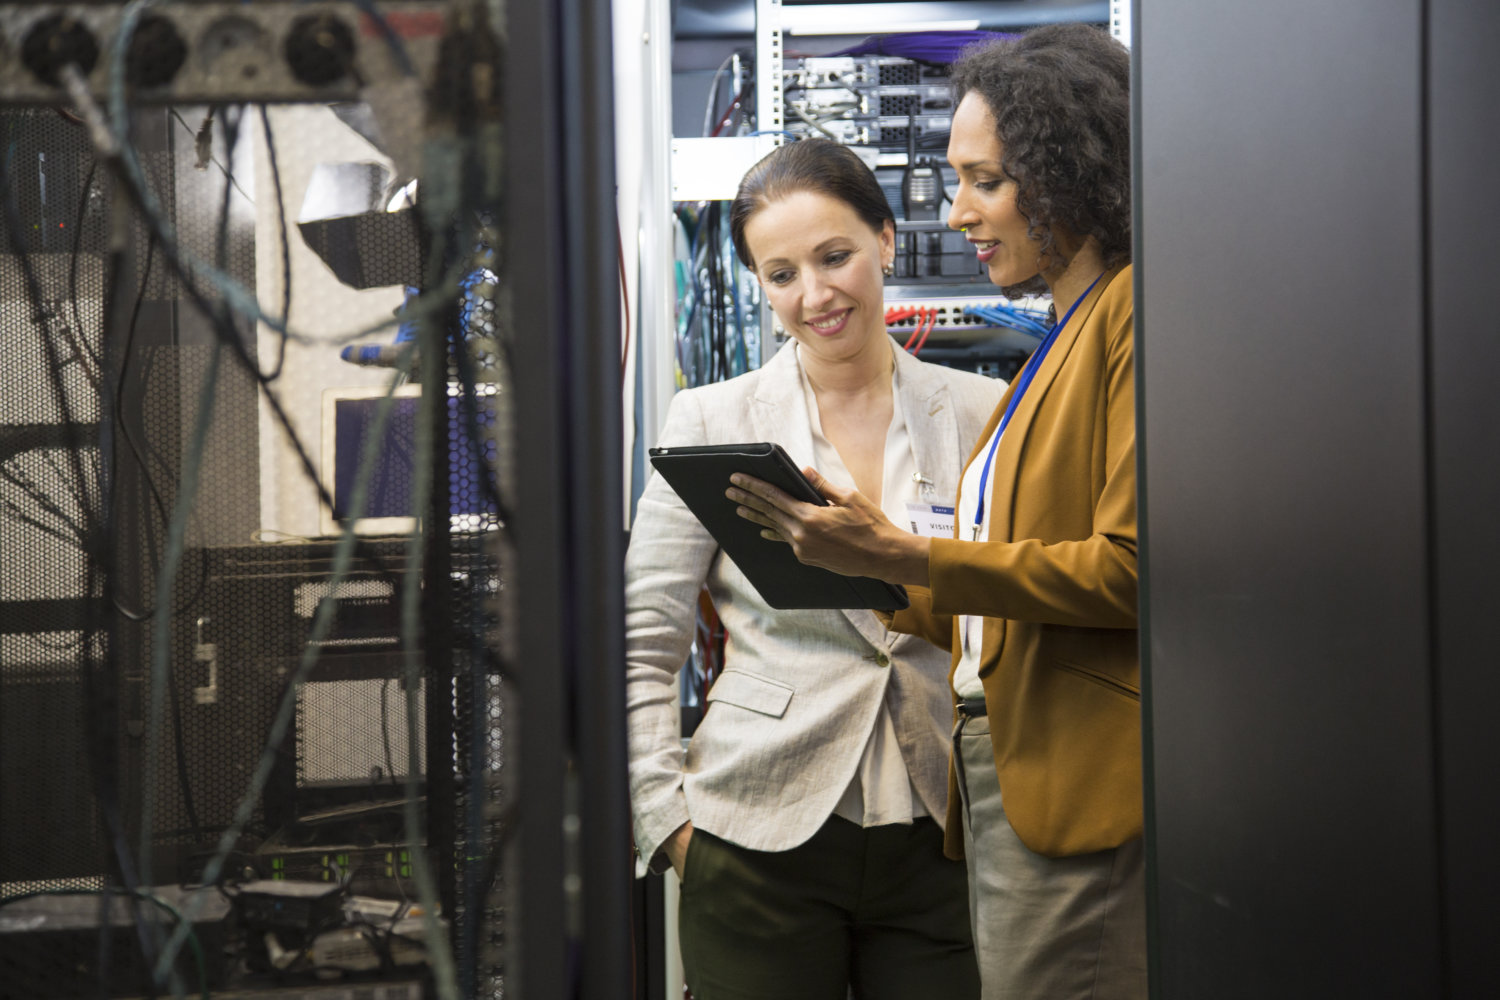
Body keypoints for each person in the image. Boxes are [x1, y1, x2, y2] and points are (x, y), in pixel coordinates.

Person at [727, 25, 1143, 1000]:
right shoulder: (1059, 339)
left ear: (1068, 171)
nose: (956, 214)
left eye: (984, 181)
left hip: (1072, 787)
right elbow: (998, 597)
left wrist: (907, 555)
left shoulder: (1126, 314)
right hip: (1003, 780)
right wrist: (856, 562)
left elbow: (1130, 569)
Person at [625, 138, 1002, 1000]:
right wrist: (667, 817)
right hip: (756, 829)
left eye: (835, 257)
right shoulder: (710, 419)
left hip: (944, 831)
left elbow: (1008, 609)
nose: (816, 295)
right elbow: (643, 636)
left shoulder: (982, 412)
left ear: (887, 241)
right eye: (782, 273)